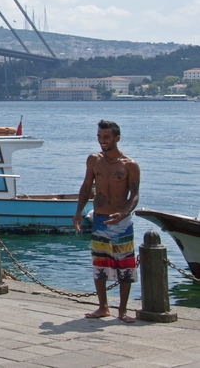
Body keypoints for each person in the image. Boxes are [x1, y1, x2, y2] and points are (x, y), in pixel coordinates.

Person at [74, 119, 141, 323]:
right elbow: (87, 187)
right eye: (99, 136)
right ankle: (103, 307)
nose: (102, 141)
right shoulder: (94, 160)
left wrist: (125, 213)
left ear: (116, 138)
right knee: (100, 263)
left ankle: (122, 310)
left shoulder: (130, 165)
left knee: (125, 266)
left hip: (121, 221)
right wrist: (78, 213)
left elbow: (135, 195)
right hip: (100, 219)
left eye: (106, 137)